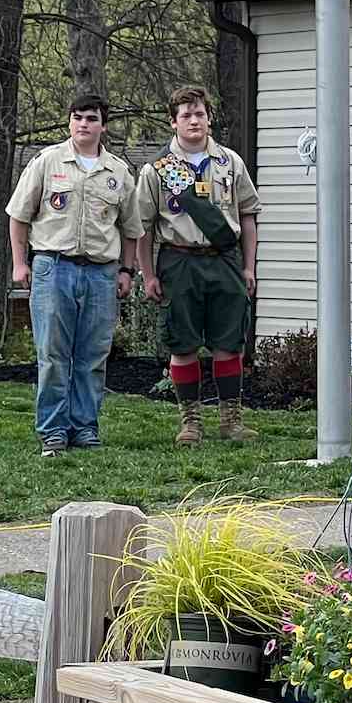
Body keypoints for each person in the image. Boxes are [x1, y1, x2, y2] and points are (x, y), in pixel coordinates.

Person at [5, 94, 142, 457]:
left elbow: (132, 229)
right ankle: (52, 431)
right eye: (78, 117)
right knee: (52, 354)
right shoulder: (47, 162)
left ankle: (85, 428)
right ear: (69, 122)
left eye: (92, 118)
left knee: (92, 356)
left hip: (100, 273)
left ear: (103, 125)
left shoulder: (118, 172)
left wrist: (127, 271)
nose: (84, 124)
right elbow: (18, 215)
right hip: (53, 267)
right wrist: (21, 264)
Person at [135, 85, 262, 445]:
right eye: (186, 115)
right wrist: (148, 274)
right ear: (173, 122)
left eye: (200, 114)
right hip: (179, 261)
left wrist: (249, 266)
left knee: (229, 341)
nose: (194, 120)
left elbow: (249, 216)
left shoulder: (230, 163)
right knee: (182, 342)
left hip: (224, 260)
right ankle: (190, 422)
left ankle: (231, 420)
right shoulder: (158, 170)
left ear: (209, 118)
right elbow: (143, 227)